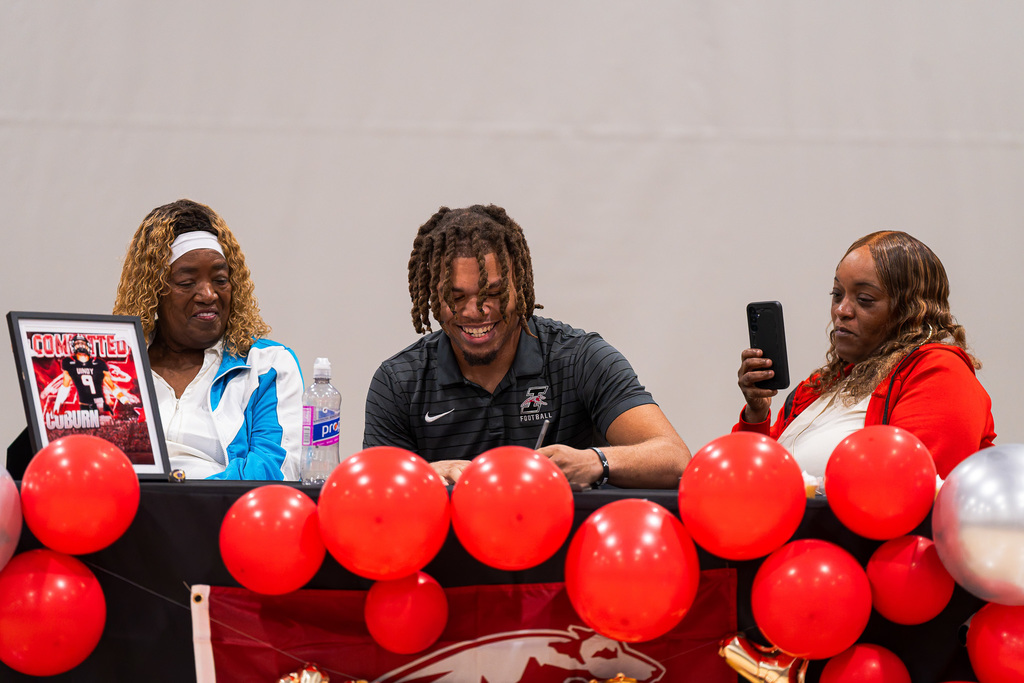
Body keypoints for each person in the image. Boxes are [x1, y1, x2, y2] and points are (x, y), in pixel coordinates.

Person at [364, 204, 690, 488]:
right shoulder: (399, 383)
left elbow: (674, 457)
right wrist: (423, 474)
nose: (476, 311)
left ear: (519, 286)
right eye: (456, 297)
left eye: (493, 293)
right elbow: (373, 497)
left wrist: (594, 461)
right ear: (433, 297)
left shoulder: (580, 359)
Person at [735, 230, 995, 479]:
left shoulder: (939, 372)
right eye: (837, 294)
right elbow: (747, 475)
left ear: (911, 311)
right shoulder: (819, 386)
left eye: (864, 299)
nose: (841, 310)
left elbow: (916, 489)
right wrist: (756, 414)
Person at [113, 199, 304, 480]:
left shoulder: (266, 364)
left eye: (220, 280)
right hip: (130, 503)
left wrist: (182, 496)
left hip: (225, 507)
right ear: (154, 290)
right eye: (187, 283)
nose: (208, 294)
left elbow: (275, 468)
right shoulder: (117, 367)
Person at [53, 334, 134, 414]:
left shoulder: (99, 363)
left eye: (82, 343)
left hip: (100, 405)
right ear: (73, 346)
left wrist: (125, 401)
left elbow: (111, 386)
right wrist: (57, 406)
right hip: (84, 406)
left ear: (88, 346)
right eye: (78, 343)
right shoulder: (68, 362)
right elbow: (65, 386)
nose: (80, 346)